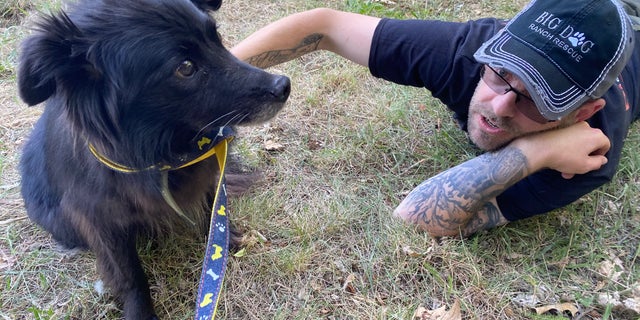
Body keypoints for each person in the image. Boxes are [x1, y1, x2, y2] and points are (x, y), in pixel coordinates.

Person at [230, 0, 640, 238]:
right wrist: (214, 80)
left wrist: (535, 152)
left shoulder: (587, 157)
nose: (499, 107)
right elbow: (323, 26)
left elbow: (415, 218)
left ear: (582, 113)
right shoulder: (467, 52)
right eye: (501, 75)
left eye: (537, 101)